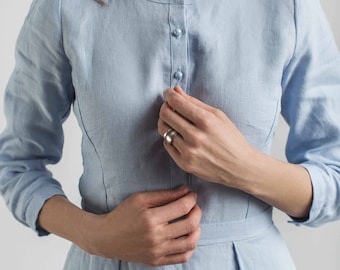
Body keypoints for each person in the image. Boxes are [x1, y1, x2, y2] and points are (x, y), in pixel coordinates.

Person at [0, 0, 340, 269]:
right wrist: (94, 236)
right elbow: (17, 165)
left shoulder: (289, 6)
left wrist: (244, 167)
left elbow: (335, 175)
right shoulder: (64, 7)